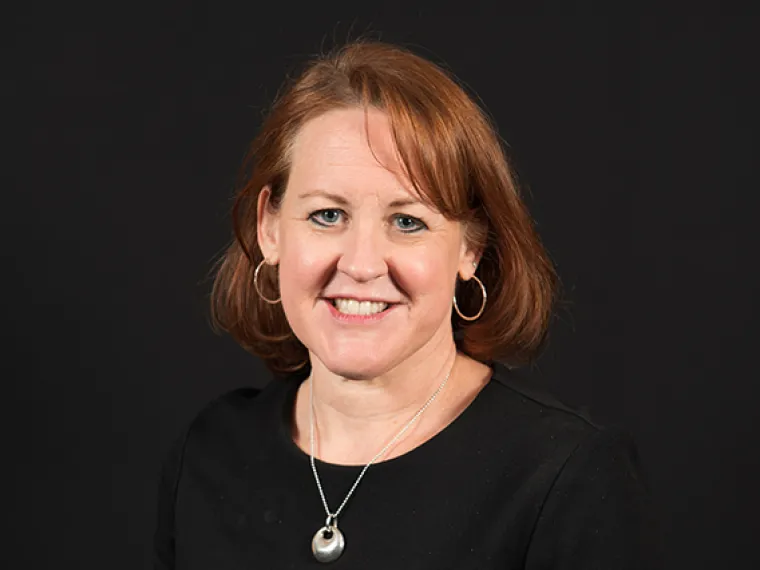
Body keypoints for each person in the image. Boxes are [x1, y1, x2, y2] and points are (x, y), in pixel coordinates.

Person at [153, 40, 663, 569]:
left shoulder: (566, 479)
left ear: (471, 247)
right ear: (270, 228)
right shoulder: (210, 455)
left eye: (407, 221)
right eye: (328, 215)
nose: (363, 263)